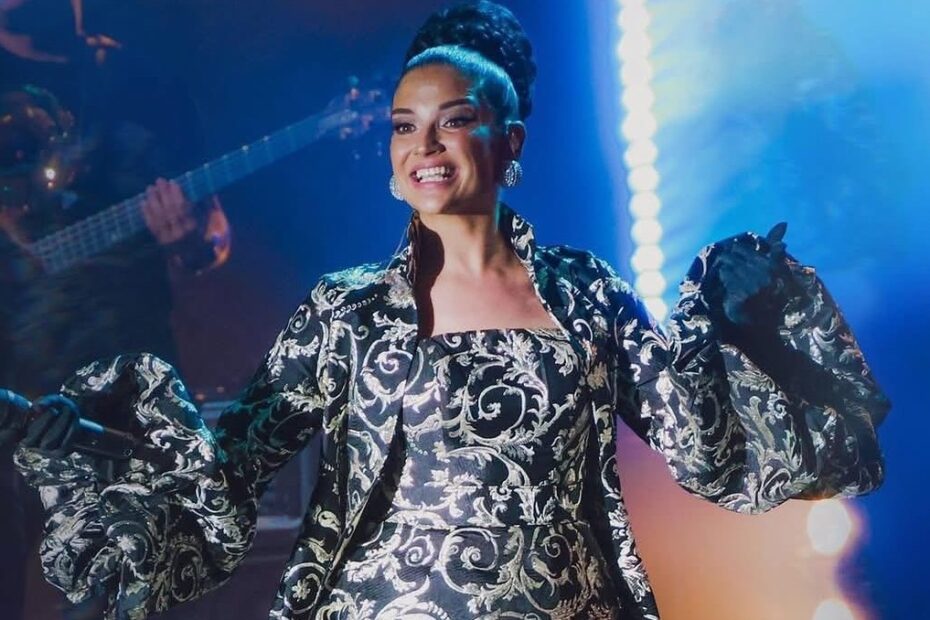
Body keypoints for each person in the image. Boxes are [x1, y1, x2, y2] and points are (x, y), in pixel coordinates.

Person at [4, 2, 888, 619]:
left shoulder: (585, 296)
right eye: (403, 124)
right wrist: (87, 439)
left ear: (510, 143)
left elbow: (707, 447)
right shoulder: (345, 311)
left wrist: (749, 318)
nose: (423, 145)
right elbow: (222, 475)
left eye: (452, 120)